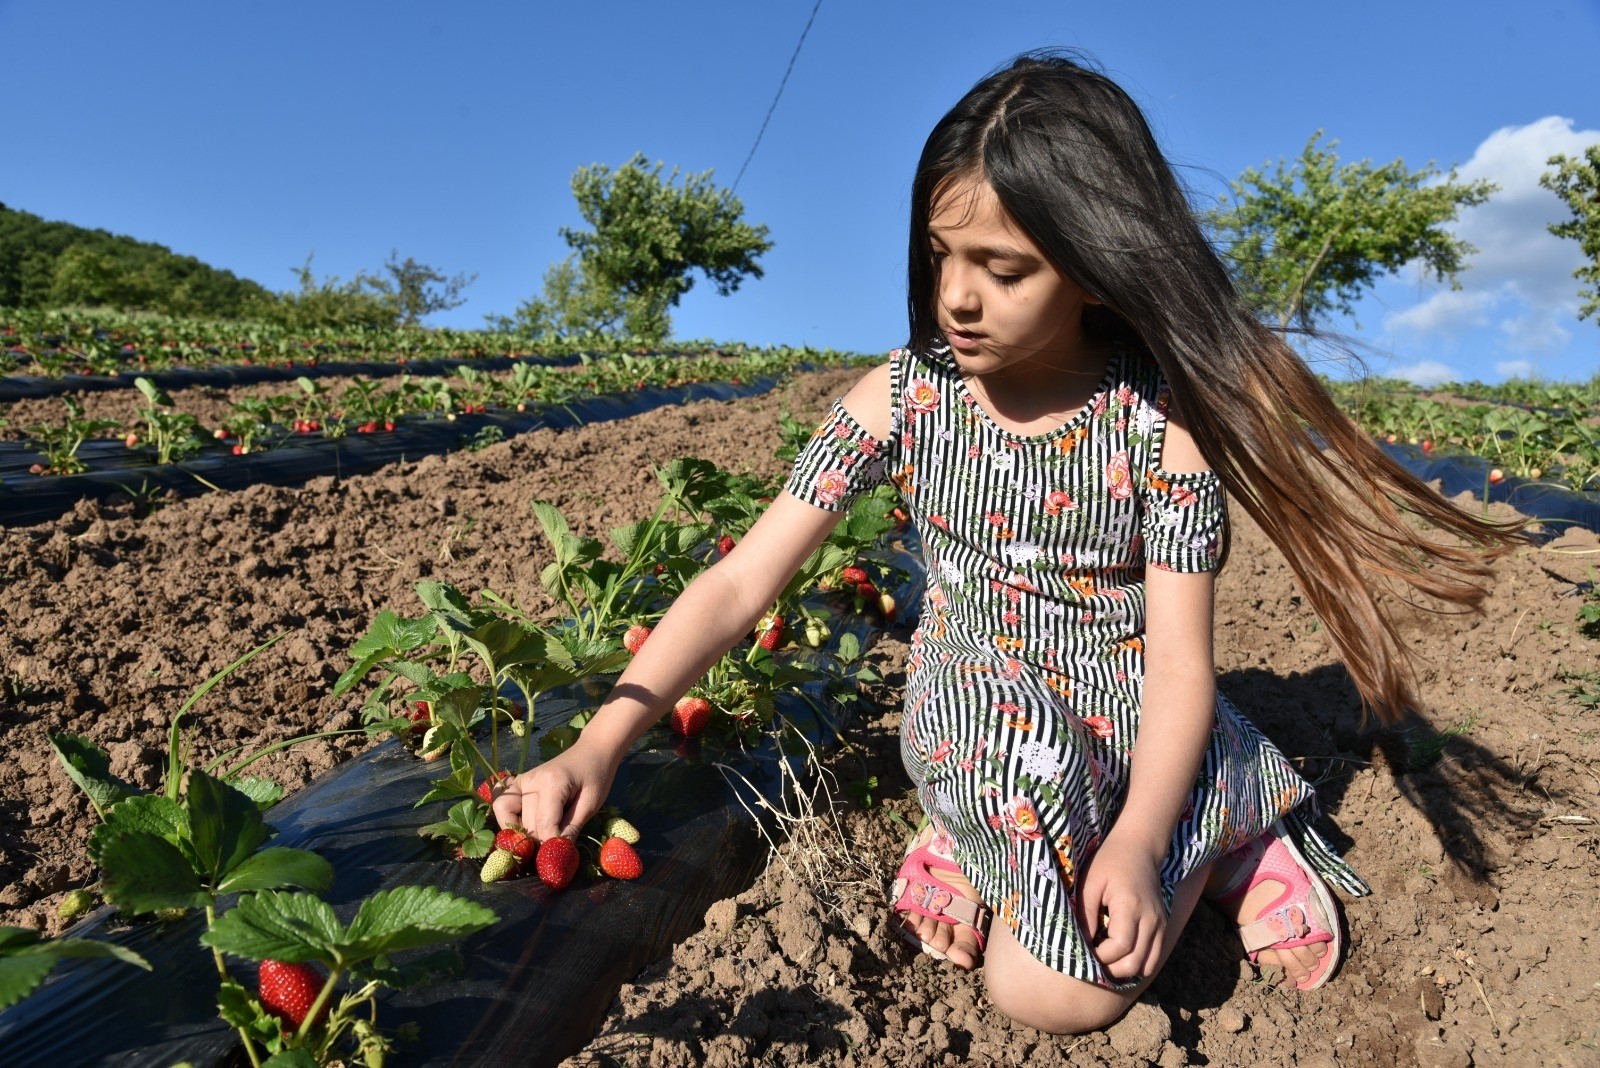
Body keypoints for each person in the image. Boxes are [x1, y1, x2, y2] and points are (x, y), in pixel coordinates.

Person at [492, 50, 1520, 1034]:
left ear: (1096, 269)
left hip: (1131, 714)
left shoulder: (1158, 427)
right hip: (978, 715)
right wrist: (600, 740)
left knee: (1054, 992)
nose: (956, 295)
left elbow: (1176, 662)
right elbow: (738, 585)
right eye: (942, 253)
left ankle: (1214, 836)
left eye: (1004, 267)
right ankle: (996, 826)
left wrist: (1143, 843)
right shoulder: (900, 399)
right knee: (1039, 938)